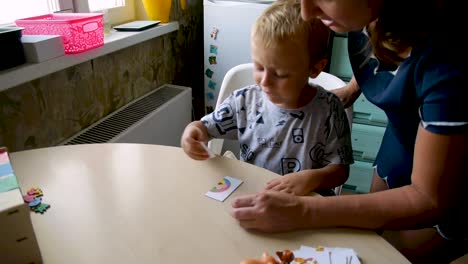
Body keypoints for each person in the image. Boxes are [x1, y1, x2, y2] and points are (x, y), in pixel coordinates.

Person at [230, 0, 468, 263]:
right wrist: (356, 86)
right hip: (402, 137)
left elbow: (428, 198)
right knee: (376, 233)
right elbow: (378, 48)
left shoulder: (451, 56)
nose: (306, 11)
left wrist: (304, 211)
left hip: (455, 177)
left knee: (394, 255)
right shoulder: (362, 13)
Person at [180, 0, 354, 196]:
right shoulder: (243, 102)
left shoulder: (330, 109)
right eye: (259, 67)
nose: (265, 82)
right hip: (254, 195)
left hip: (305, 204)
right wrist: (192, 132)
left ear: (315, 68)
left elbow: (341, 171)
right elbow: (205, 128)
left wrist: (315, 178)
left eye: (279, 74)